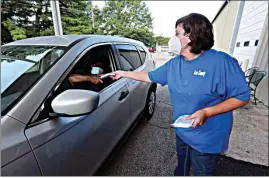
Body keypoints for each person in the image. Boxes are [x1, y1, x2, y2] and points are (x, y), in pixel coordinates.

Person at [108, 13, 251, 176]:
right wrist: (123, 73)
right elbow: (150, 76)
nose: (173, 38)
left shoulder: (222, 62)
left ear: (191, 36)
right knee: (181, 168)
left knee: (202, 171)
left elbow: (242, 97)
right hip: (183, 129)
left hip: (207, 137)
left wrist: (206, 112)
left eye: (177, 33)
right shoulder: (175, 64)